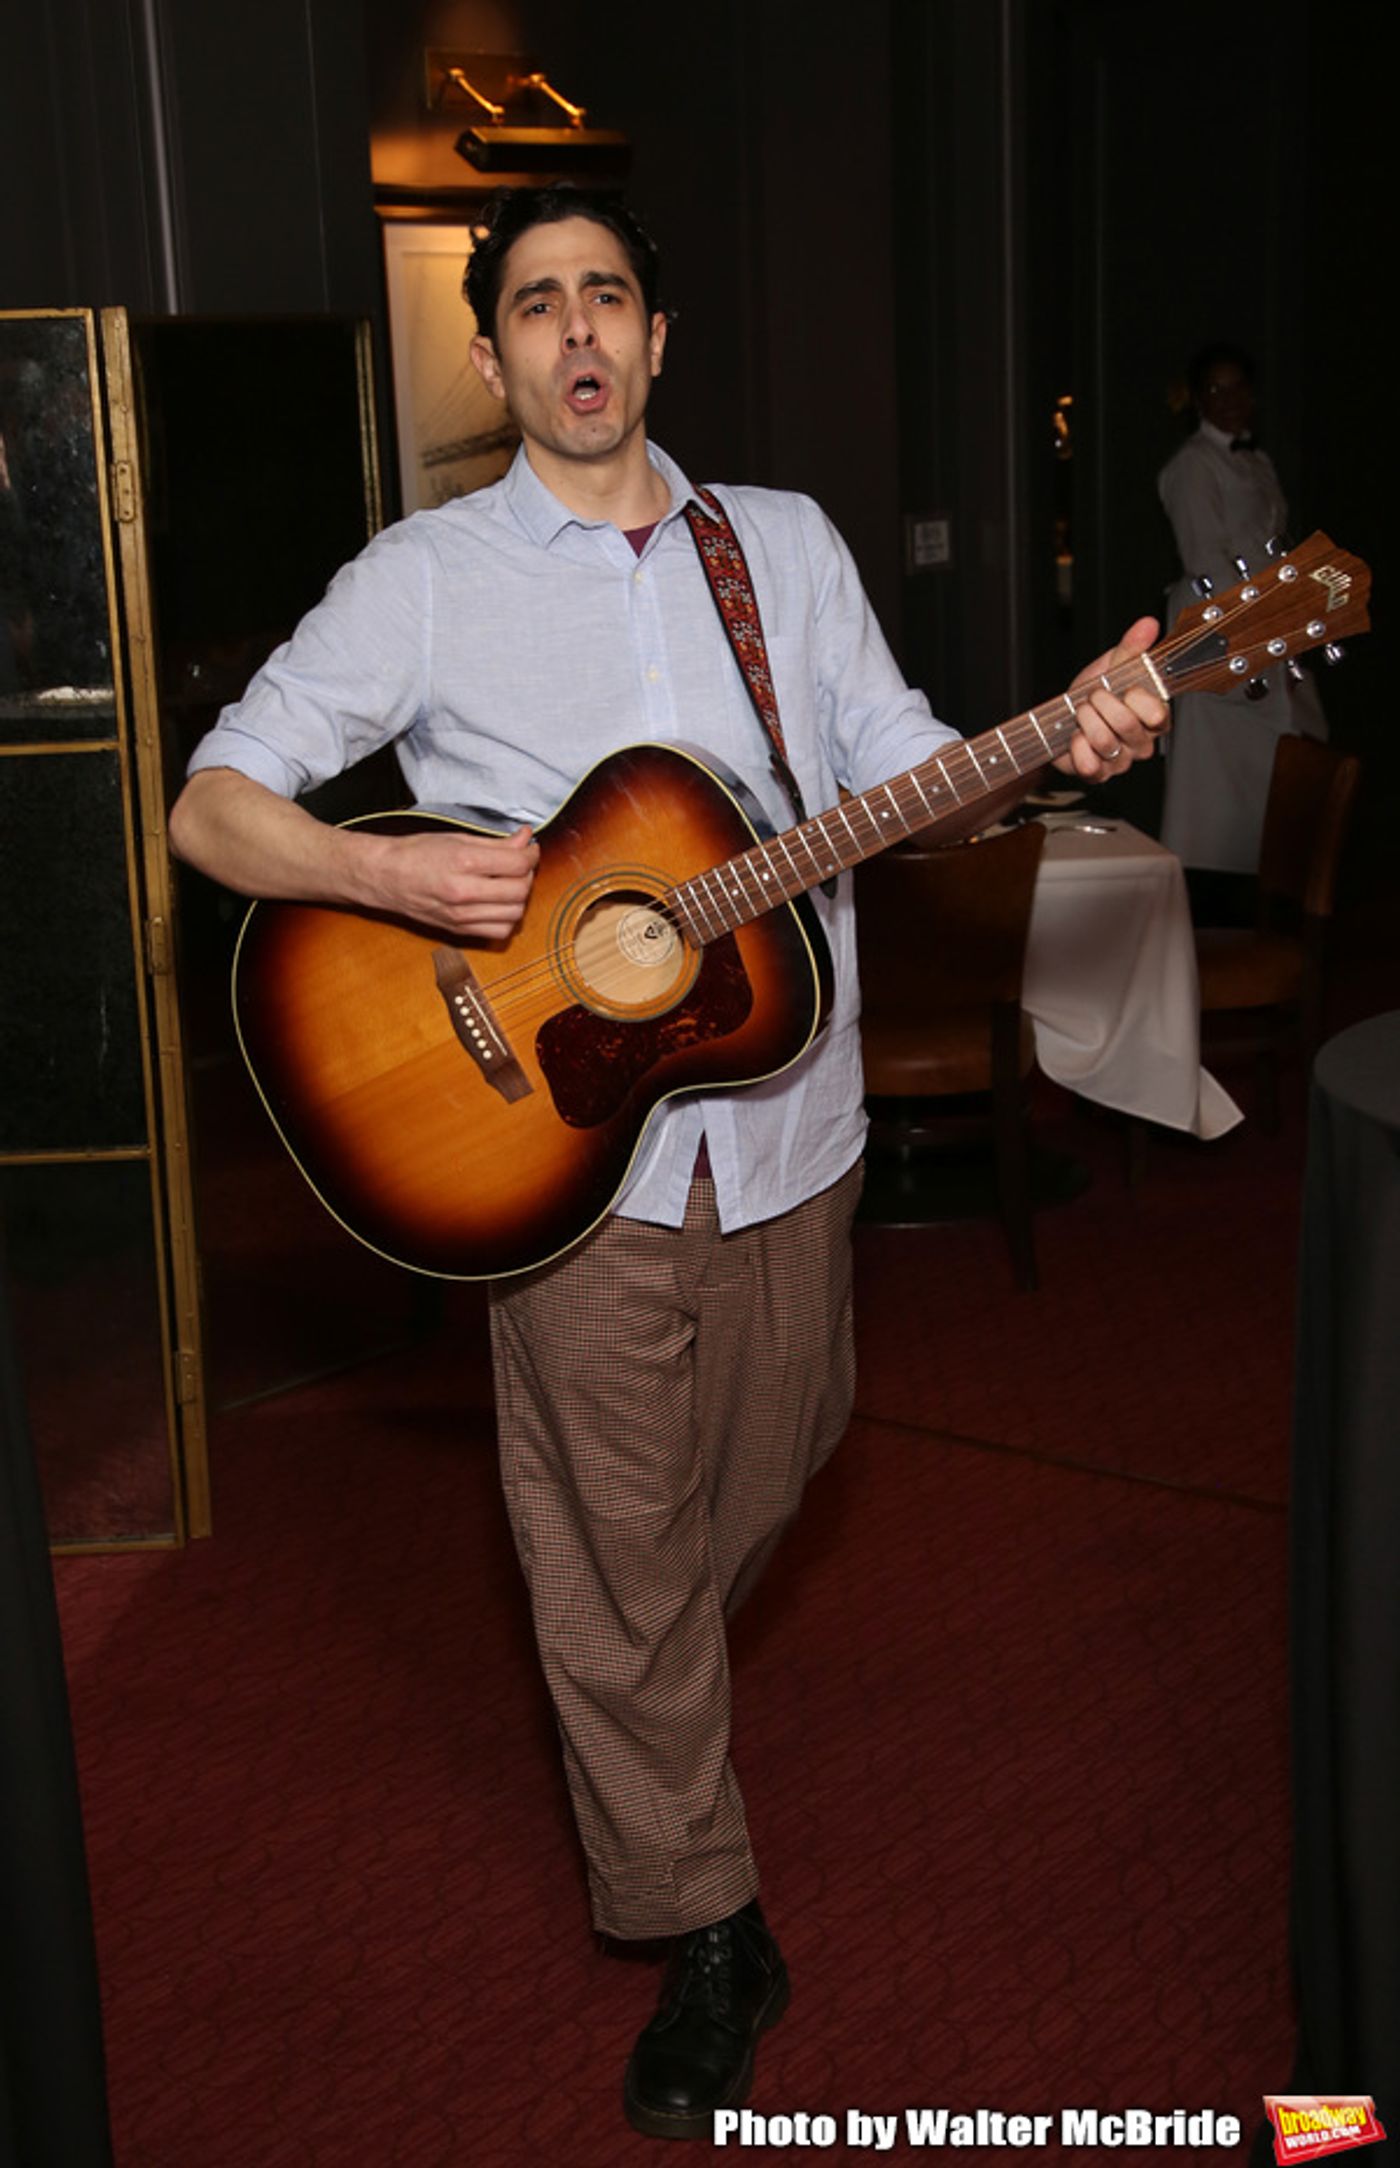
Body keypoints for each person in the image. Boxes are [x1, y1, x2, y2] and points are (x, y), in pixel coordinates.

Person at [168, 185, 1167, 2141]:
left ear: (656, 332)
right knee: (610, 1547)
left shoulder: (776, 548)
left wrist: (1057, 736)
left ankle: (633, 1694)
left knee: (778, 1458)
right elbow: (215, 806)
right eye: (537, 302)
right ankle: (710, 1921)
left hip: (791, 1135)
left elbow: (896, 764)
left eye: (606, 292)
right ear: (492, 354)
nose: (576, 328)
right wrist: (380, 871)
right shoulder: (424, 576)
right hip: (546, 1157)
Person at [1157, 343, 1326, 907]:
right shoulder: (1190, 466)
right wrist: (1265, 616)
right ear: (1198, 399)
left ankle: (1267, 894)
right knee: (1212, 781)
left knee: (1281, 757)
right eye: (1215, 389)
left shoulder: (1257, 459)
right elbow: (1205, 558)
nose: (1229, 400)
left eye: (1238, 388)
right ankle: (1210, 906)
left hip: (1269, 619)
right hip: (1220, 627)